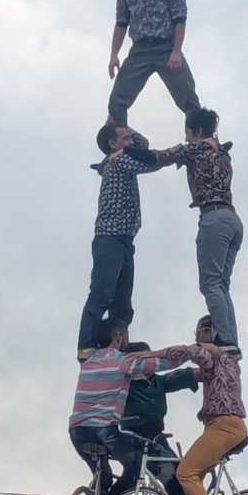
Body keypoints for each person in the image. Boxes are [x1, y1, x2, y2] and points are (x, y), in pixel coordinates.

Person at [136, 315, 248, 495]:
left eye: (198, 333)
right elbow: (202, 373)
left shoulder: (212, 352)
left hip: (223, 426)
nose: (197, 338)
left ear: (208, 332)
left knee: (186, 473)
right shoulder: (227, 360)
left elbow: (187, 351)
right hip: (225, 426)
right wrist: (181, 373)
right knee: (196, 476)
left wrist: (151, 355)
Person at [157, 107, 243, 353]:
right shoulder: (223, 152)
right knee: (221, 285)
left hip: (213, 217)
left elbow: (161, 157)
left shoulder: (195, 149)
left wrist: (127, 153)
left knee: (210, 284)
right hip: (232, 219)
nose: (186, 138)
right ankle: (230, 341)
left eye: (188, 132)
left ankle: (224, 340)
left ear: (197, 131)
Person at [77, 121, 164, 359]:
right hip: (110, 238)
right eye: (124, 138)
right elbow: (152, 159)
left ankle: (119, 346)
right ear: (112, 144)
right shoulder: (118, 162)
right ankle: (86, 346)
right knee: (103, 294)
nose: (131, 142)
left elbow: (142, 144)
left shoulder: (122, 156)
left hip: (124, 240)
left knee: (123, 302)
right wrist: (182, 152)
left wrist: (121, 122)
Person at [69, 319, 171, 495]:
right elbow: (162, 364)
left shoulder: (88, 361)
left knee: (103, 476)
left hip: (77, 432)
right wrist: (192, 353)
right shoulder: (122, 361)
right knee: (136, 464)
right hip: (104, 431)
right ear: (118, 336)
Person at [107, 0, 200, 126]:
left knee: (188, 96)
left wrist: (176, 51)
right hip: (140, 50)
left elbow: (180, 19)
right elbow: (121, 23)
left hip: (166, 48)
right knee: (117, 99)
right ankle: (119, 145)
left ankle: (203, 140)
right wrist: (114, 55)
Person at [122, 341, 200, 495]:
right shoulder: (124, 383)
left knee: (179, 471)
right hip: (132, 435)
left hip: (156, 436)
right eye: (146, 359)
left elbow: (185, 378)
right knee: (156, 471)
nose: (151, 364)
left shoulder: (158, 381)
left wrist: (199, 372)